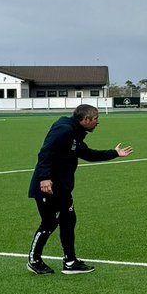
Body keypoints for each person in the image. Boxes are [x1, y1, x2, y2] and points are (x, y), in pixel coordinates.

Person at [26, 104, 133, 275]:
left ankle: (70, 262)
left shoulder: (75, 134)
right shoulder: (64, 130)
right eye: (95, 119)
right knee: (49, 223)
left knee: (68, 220)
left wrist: (114, 153)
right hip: (47, 187)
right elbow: (46, 152)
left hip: (62, 188)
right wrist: (45, 178)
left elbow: (88, 154)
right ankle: (34, 260)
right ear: (84, 120)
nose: (98, 122)